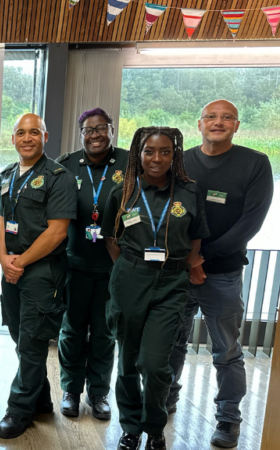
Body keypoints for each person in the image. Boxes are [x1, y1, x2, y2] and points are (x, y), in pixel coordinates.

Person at [167, 100, 273, 449]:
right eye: (211, 117)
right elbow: (167, 213)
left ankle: (228, 419)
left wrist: (202, 258)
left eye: (226, 117)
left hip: (223, 275)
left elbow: (250, 223)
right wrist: (188, 261)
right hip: (179, 272)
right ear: (199, 124)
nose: (218, 122)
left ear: (237, 125)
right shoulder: (181, 162)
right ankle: (167, 398)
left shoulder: (255, 163)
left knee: (226, 351)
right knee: (172, 342)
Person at [101, 127, 209, 450]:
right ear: (139, 153)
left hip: (172, 283)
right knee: (129, 360)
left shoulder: (189, 192)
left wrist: (185, 263)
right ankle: (131, 428)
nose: (157, 158)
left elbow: (196, 236)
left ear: (174, 155)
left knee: (154, 363)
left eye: (165, 151)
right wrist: (133, 265)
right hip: (130, 278)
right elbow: (110, 238)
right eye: (149, 151)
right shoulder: (123, 191)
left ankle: (155, 427)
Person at [0, 113, 76, 439]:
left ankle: (19, 410)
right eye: (20, 133)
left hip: (42, 272)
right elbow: (1, 223)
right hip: (12, 269)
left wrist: (20, 263)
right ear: (13, 139)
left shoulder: (59, 177)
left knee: (31, 342)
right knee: (21, 338)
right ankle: (41, 399)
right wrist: (3, 259)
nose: (27, 138)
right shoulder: (7, 175)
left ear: (45, 137)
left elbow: (57, 232)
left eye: (34, 132)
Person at [55, 108, 127, 420]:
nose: (95, 135)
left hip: (112, 266)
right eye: (88, 129)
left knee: (103, 333)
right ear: (81, 133)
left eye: (101, 129)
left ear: (112, 130)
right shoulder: (66, 164)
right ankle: (71, 389)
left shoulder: (130, 163)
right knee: (71, 330)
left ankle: (98, 394)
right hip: (73, 264)